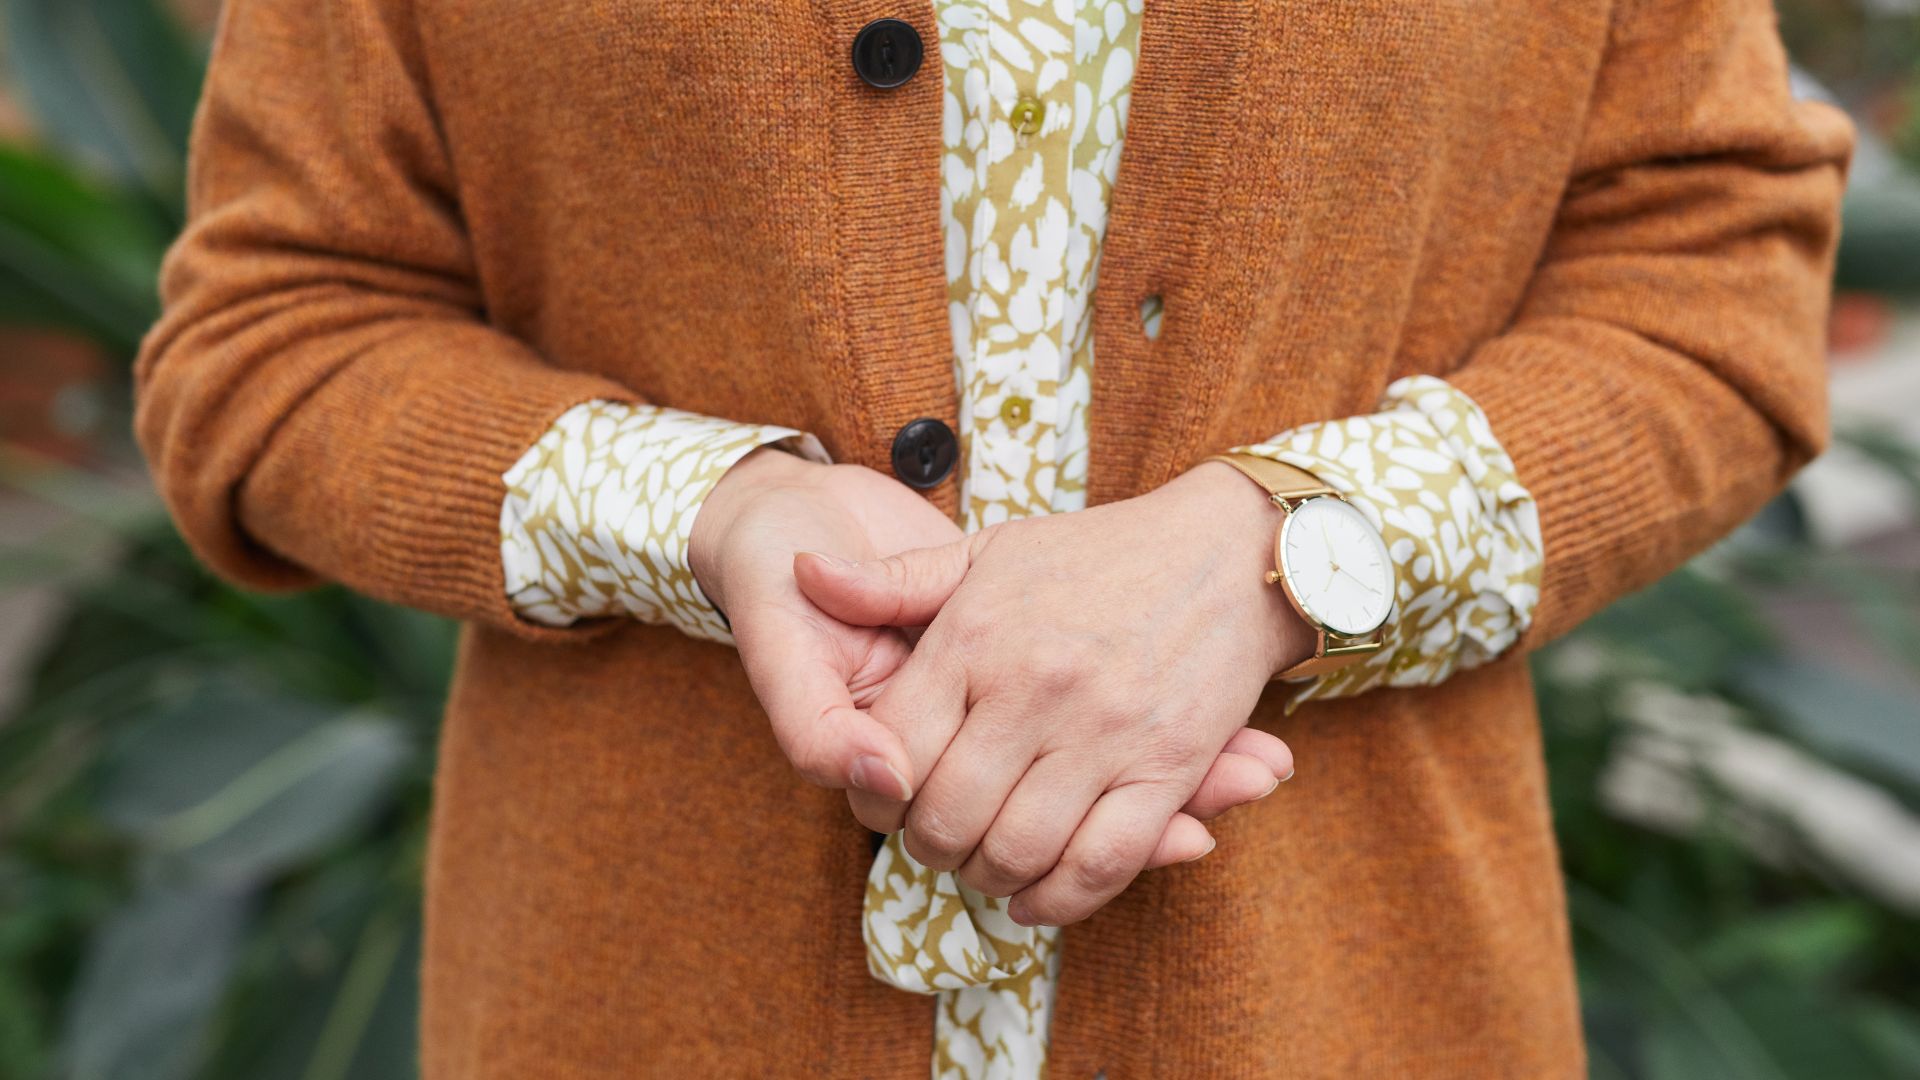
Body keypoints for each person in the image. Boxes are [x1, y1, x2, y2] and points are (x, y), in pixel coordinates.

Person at [134, 0, 1851, 1076]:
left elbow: (1712, 286)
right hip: (636, 1005)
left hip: (1350, 1010)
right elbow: (277, 336)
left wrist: (1286, 551)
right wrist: (711, 515)